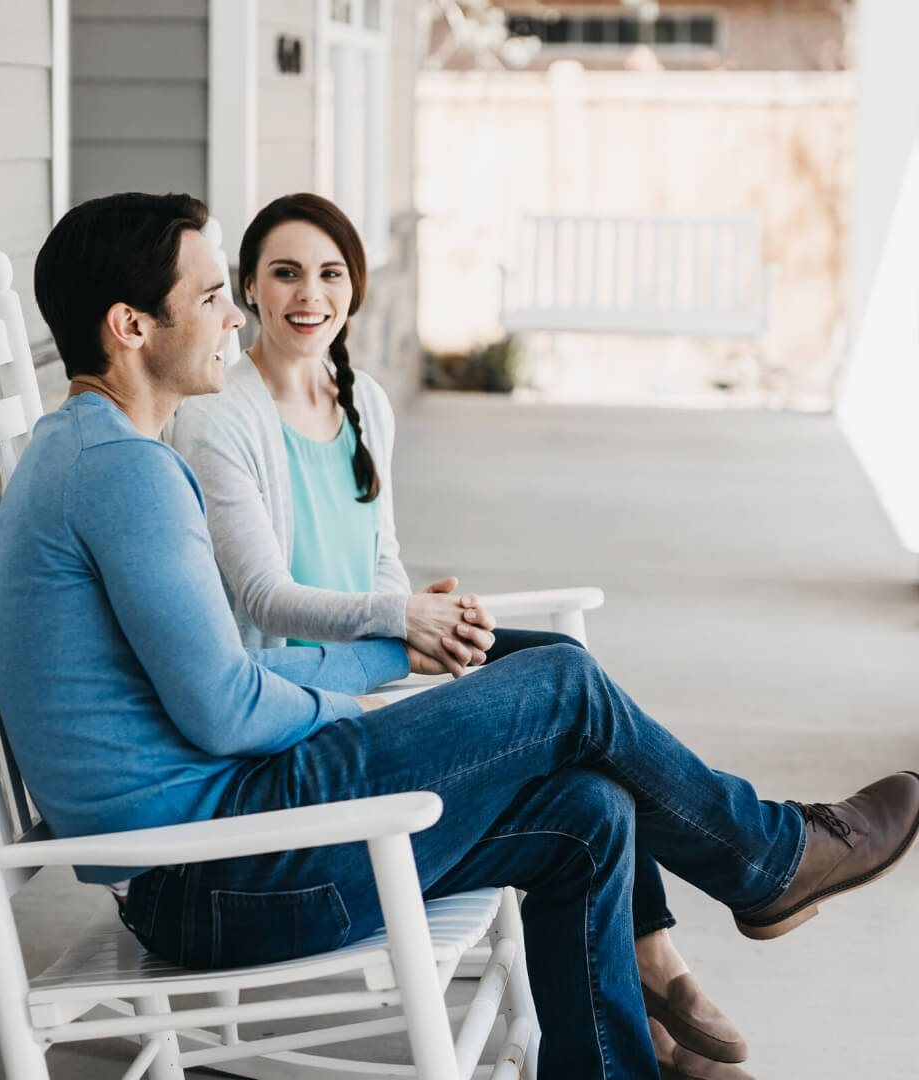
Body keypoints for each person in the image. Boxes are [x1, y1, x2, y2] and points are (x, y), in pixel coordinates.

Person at [0, 191, 919, 1080]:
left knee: (588, 813)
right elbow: (226, 708)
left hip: (223, 851)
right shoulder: (125, 473)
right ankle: (770, 860)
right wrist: (358, 704)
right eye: (217, 294)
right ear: (131, 326)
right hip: (221, 871)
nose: (234, 318)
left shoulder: (91, 454)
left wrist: (401, 650)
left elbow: (225, 682)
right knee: (559, 680)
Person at [167, 193, 730, 1075]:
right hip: (300, 721)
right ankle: (730, 885)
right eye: (284, 273)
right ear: (247, 290)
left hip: (373, 680)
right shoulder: (220, 420)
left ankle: (649, 981)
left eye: (329, 274)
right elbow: (265, 597)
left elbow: (384, 562)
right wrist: (400, 621)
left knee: (573, 713)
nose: (307, 294)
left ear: (353, 290)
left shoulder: (365, 405)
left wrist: (422, 619)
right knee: (565, 675)